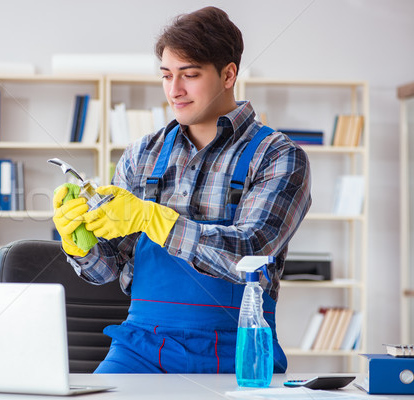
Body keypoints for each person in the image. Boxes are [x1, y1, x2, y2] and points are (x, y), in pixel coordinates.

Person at [52, 6, 311, 374]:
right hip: (139, 347)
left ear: (228, 74)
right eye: (166, 75)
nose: (175, 90)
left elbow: (251, 254)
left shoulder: (277, 156)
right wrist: (79, 242)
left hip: (236, 349)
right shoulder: (142, 154)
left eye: (189, 75)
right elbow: (110, 269)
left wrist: (156, 219)